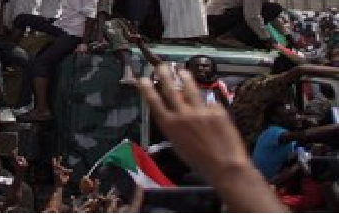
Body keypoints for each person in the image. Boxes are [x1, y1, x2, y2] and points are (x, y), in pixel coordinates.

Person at [136, 62, 287, 212]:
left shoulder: (217, 89)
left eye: (206, 66)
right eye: (198, 66)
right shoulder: (177, 93)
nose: (202, 69)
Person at [15, 0, 100, 121]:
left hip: (75, 32)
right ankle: (10, 52)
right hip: (62, 24)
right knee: (22, 19)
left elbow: (91, 17)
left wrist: (83, 42)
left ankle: (42, 109)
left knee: (41, 63)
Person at [231, 51, 339, 147]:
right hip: (244, 142)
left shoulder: (285, 90)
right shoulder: (261, 85)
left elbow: (288, 114)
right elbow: (301, 70)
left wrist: (303, 119)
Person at [252, 102, 339, 181]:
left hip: (275, 181)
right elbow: (303, 135)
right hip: (270, 185)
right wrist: (335, 127)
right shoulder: (272, 132)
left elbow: (300, 151)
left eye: (297, 113)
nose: (297, 117)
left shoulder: (286, 136)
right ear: (275, 119)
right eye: (291, 115)